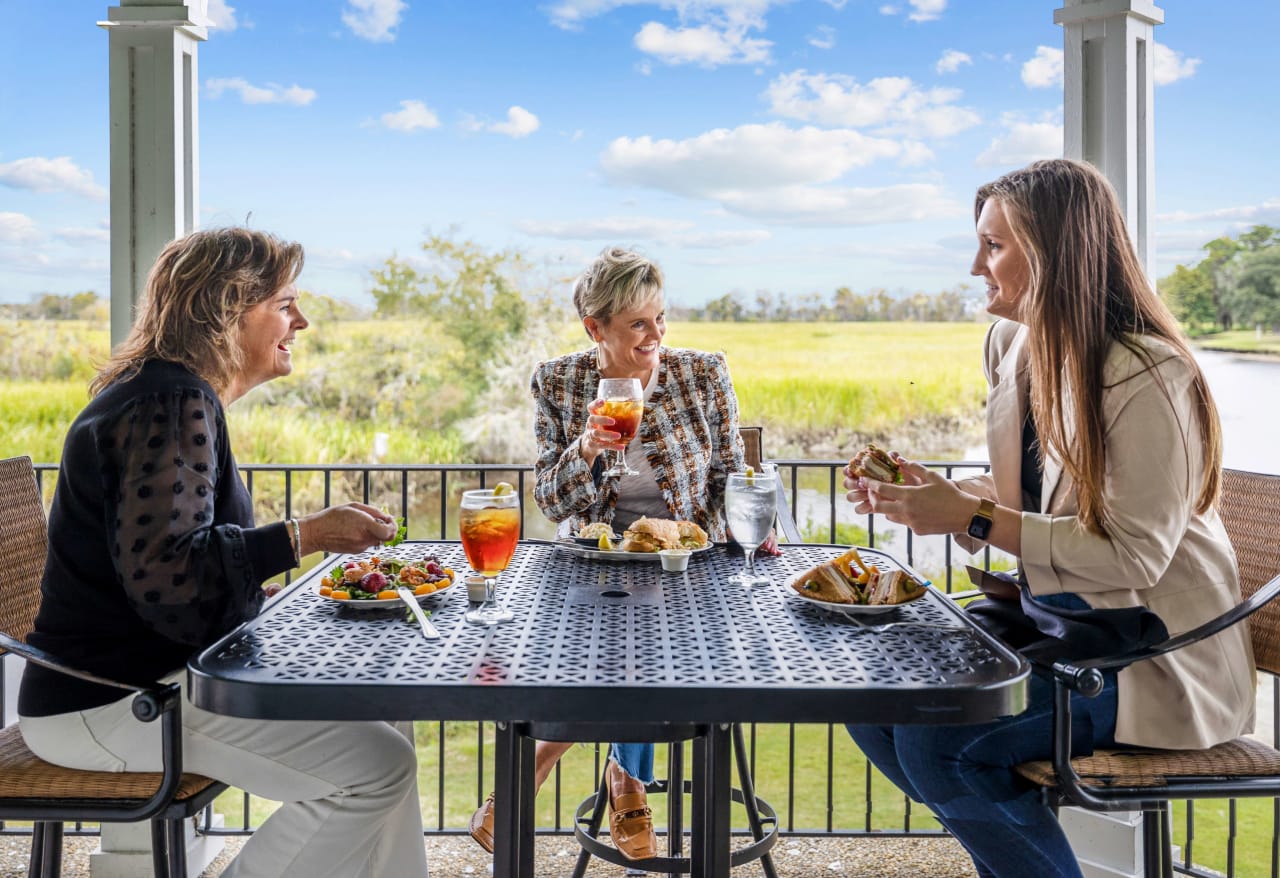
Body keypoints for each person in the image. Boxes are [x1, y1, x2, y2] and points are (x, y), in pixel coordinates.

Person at [842, 159, 1256, 878]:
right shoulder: (1013, 346)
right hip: (1060, 624)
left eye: (995, 245)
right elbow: (1034, 492)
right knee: (870, 697)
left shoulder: (1148, 372)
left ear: (1061, 252)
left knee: (945, 746)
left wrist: (970, 518)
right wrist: (933, 493)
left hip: (1150, 656)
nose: (976, 265)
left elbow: (1131, 556)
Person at [17, 228, 429, 878]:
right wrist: (306, 536)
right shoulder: (170, 404)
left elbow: (174, 572)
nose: (303, 320)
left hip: (149, 683)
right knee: (375, 770)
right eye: (285, 302)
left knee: (385, 723)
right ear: (228, 309)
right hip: (112, 701)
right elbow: (170, 576)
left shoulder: (164, 395)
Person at [468, 246, 767, 861]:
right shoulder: (559, 381)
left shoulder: (703, 373)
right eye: (637, 323)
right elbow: (550, 501)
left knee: (646, 636)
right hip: (588, 561)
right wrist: (583, 449)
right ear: (594, 329)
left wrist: (714, 534)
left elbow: (731, 477)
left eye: (660, 317)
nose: (656, 334)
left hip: (686, 562)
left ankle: (547, 764)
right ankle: (625, 780)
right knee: (614, 641)